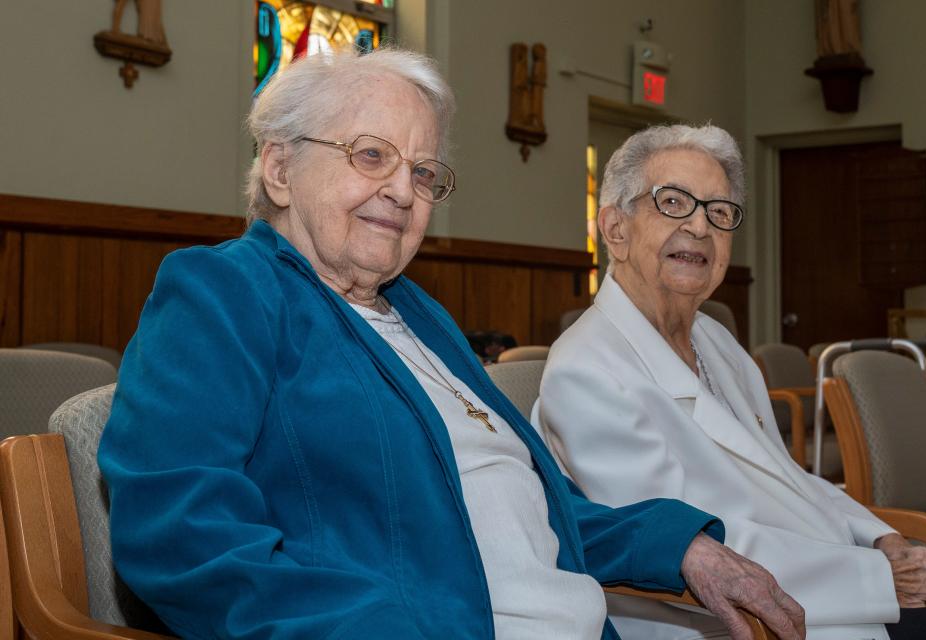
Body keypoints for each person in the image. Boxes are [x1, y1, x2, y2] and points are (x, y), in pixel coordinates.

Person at [98, 51, 804, 640]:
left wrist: (679, 546)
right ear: (279, 170)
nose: (403, 191)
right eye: (371, 155)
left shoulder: (419, 315)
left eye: (424, 173)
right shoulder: (224, 291)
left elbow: (537, 506)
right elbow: (181, 529)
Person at [534, 123, 926, 640]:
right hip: (737, 619)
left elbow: (789, 480)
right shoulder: (585, 369)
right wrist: (875, 578)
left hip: (820, 581)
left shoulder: (714, 340)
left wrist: (881, 539)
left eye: (719, 212)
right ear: (615, 229)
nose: (698, 227)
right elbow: (696, 549)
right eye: (672, 202)